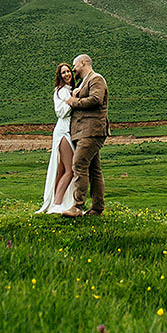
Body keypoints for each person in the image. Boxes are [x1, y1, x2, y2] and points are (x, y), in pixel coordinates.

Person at [63, 53, 109, 218]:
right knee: (94, 170)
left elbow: (96, 99)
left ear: (83, 63)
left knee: (79, 165)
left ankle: (77, 207)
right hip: (85, 131)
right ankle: (97, 208)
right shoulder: (85, 82)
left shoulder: (96, 79)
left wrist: (73, 102)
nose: (73, 69)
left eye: (75, 65)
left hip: (91, 131)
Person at [36, 63, 76, 214]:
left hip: (69, 131)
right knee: (70, 169)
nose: (67, 74)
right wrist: (72, 100)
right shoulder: (59, 92)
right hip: (63, 131)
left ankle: (57, 200)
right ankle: (58, 203)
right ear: (60, 76)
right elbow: (60, 112)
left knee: (62, 169)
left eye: (68, 71)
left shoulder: (71, 90)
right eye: (63, 72)